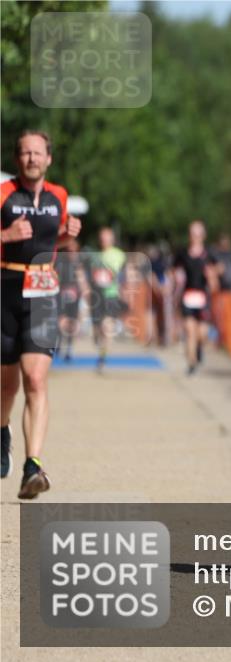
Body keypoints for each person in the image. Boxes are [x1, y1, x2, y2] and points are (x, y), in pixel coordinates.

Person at [1, 130, 82, 498]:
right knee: (6, 386)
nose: (31, 159)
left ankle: (32, 465)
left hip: (43, 294)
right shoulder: (3, 194)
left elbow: (52, 242)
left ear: (49, 158)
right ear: (17, 159)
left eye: (37, 153)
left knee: (35, 379)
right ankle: (2, 431)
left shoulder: (58, 196)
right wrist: (5, 236)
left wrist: (67, 235)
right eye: (25, 153)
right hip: (5, 291)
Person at [173, 220, 219, 375]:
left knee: (202, 334)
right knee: (190, 330)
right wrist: (175, 278)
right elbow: (173, 269)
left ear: (203, 235)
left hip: (203, 297)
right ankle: (191, 362)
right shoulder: (183, 253)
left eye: (198, 234)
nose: (195, 237)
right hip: (187, 296)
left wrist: (212, 274)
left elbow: (218, 272)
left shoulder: (209, 254)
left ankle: (199, 348)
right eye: (193, 234)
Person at [85, 226, 128, 372]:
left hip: (111, 295)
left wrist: (124, 290)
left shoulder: (118, 254)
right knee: (97, 330)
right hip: (96, 296)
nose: (103, 239)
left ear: (112, 238)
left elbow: (120, 273)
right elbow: (89, 275)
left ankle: (102, 358)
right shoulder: (95, 256)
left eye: (106, 236)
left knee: (107, 326)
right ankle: (100, 346)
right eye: (102, 236)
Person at [54, 238, 84, 361]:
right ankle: (59, 343)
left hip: (75, 297)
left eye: (73, 249)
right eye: (69, 249)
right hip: (62, 296)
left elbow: (82, 281)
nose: (71, 251)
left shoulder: (79, 263)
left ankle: (69, 347)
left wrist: (85, 293)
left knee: (72, 322)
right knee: (61, 320)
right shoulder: (60, 261)